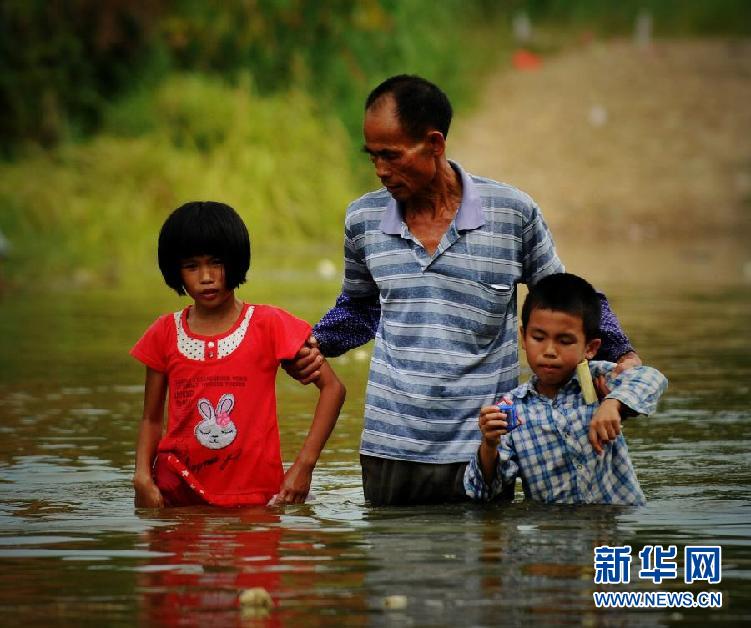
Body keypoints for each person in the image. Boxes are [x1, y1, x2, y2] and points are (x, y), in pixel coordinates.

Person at [289, 74, 640, 506]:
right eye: (373, 157)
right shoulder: (363, 219)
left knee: (482, 567)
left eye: (392, 156)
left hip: (485, 445)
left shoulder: (512, 213)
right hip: (391, 445)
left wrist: (622, 353)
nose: (381, 170)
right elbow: (362, 309)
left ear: (435, 144)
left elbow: (565, 298)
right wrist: (316, 343)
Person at [131, 201, 345, 508]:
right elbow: (151, 419)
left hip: (256, 497)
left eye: (216, 262)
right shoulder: (164, 332)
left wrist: (303, 467)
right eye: (191, 266)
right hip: (177, 494)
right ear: (175, 271)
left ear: (236, 261)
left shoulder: (268, 325)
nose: (206, 277)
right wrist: (142, 477)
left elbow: (333, 389)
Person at [464, 273, 668, 505]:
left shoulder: (596, 381)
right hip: (554, 533)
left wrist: (613, 403)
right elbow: (482, 492)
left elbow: (652, 379)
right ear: (523, 337)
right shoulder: (512, 409)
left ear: (590, 348)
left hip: (614, 527)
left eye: (565, 341)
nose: (549, 351)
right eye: (538, 338)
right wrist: (489, 445)